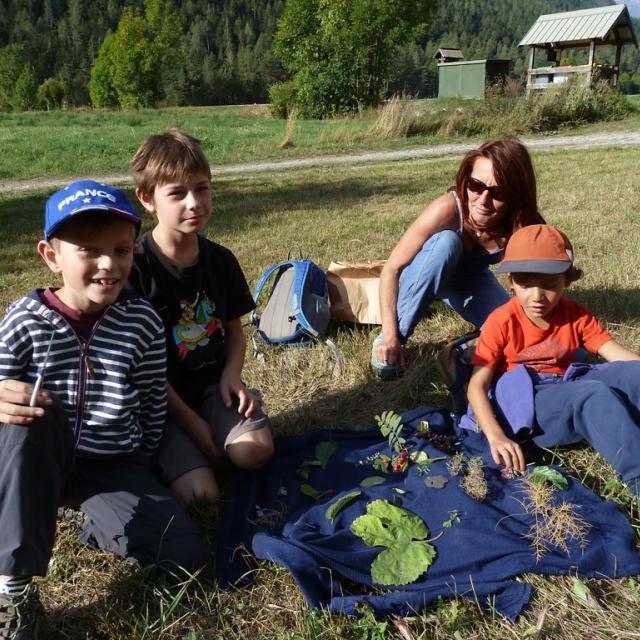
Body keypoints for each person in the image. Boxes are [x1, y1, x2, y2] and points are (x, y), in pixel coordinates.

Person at [0, 181, 207, 640]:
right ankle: (13, 588)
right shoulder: (24, 319)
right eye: (88, 251)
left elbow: (153, 402)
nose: (108, 264)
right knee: (25, 409)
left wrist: (145, 470)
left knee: (186, 554)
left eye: (121, 250)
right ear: (51, 256)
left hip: (111, 465)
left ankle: (85, 516)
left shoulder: (142, 323)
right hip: (33, 458)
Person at [128, 128, 274, 506]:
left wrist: (231, 375)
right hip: (158, 400)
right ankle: (160, 451)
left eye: (202, 188)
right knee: (202, 495)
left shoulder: (220, 260)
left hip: (212, 386)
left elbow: (234, 331)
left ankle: (222, 427)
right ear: (147, 199)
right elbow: (140, 365)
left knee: (254, 452)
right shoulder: (135, 268)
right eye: (177, 193)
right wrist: (192, 425)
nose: (194, 203)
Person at [464, 224, 640, 492]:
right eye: (525, 283)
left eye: (549, 285)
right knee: (593, 396)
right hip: (528, 401)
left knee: (632, 374)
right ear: (510, 280)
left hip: (566, 383)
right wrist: (495, 436)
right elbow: (477, 386)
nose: (537, 297)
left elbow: (618, 356)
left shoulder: (575, 314)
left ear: (567, 280)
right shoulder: (500, 321)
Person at [373, 138, 545, 379]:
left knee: (514, 333)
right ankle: (395, 340)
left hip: (469, 280)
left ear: (516, 194)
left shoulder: (522, 223)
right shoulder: (445, 209)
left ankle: (468, 344)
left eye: (497, 192)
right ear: (466, 180)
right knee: (447, 243)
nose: (483, 200)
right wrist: (390, 335)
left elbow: (543, 279)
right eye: (476, 185)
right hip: (427, 269)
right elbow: (391, 269)